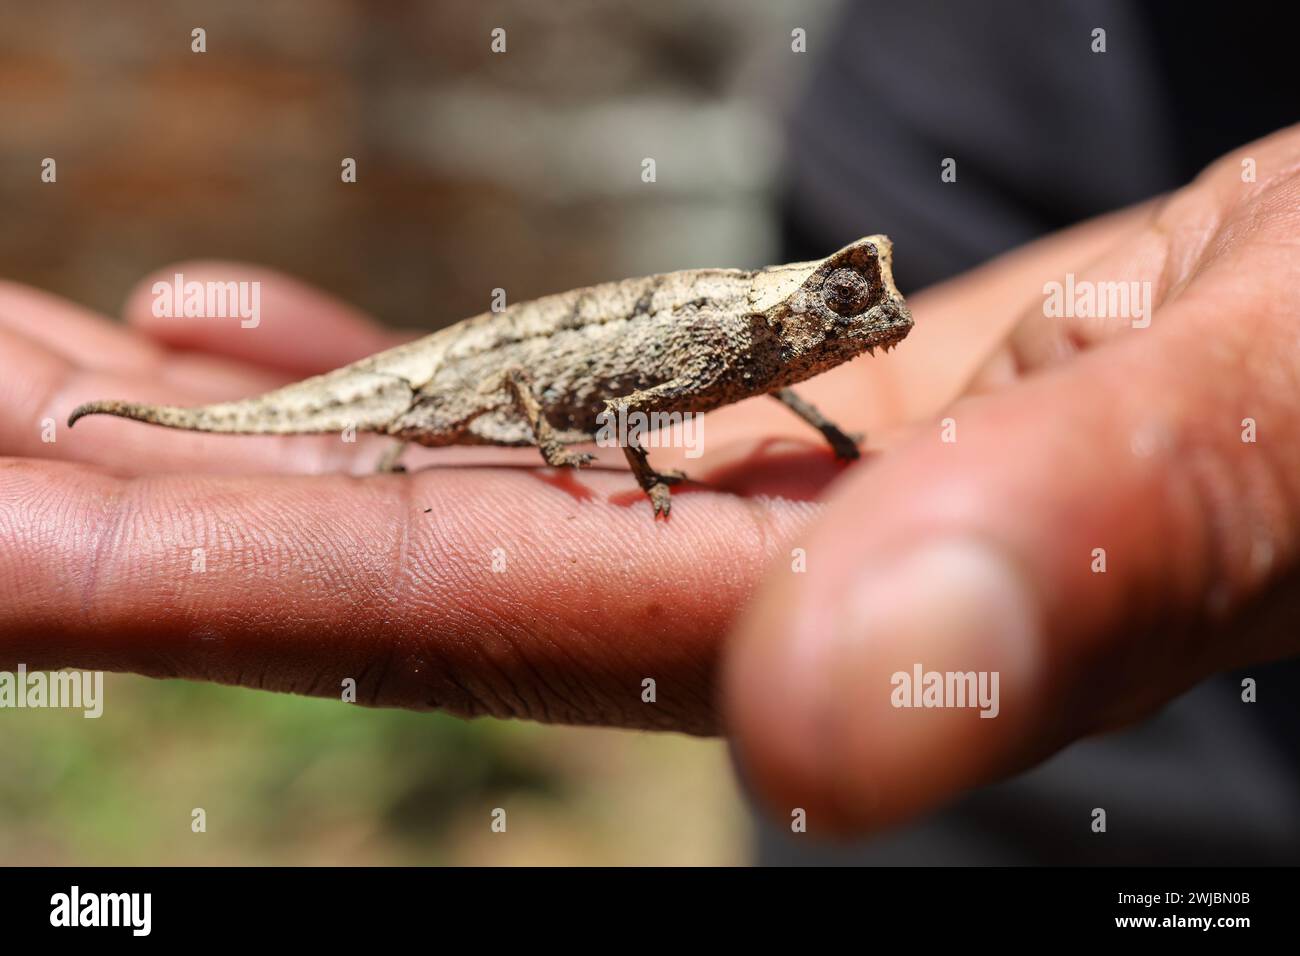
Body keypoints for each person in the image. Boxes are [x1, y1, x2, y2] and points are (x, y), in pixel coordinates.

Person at [2, 2, 1298, 864]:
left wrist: (834, 438)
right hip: (502, 368)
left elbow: (741, 384)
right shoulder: (743, 327)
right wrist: (583, 464)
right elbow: (629, 397)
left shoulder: (774, 341)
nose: (868, 322)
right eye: (847, 304)